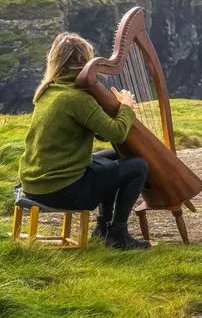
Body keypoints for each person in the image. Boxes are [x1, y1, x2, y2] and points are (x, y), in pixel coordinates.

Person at [17, 32, 151, 250]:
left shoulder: (49, 91)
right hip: (61, 190)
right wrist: (126, 108)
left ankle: (102, 229)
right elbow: (116, 134)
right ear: (83, 62)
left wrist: (115, 113)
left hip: (37, 183)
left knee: (115, 158)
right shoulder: (77, 98)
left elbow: (100, 132)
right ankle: (118, 233)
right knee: (138, 166)